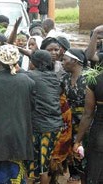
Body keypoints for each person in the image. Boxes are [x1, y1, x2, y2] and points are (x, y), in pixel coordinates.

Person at [0, 45, 35, 183]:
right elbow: (32, 107)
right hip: (20, 133)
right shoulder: (28, 82)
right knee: (16, 171)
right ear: (17, 61)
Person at [26, 50, 63, 184]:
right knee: (45, 162)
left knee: (40, 165)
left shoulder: (30, 75)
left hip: (41, 127)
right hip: (55, 126)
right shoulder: (54, 76)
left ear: (35, 63)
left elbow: (15, 71)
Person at [61, 48, 88, 183]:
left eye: (65, 59)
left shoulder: (90, 78)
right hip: (69, 120)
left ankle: (85, 173)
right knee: (70, 145)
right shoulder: (64, 78)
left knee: (84, 146)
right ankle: (74, 173)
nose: (62, 62)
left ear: (75, 61)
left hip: (87, 120)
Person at [73, 71, 103, 183]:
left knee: (96, 173)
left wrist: (77, 141)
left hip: (99, 135)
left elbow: (87, 114)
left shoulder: (95, 80)